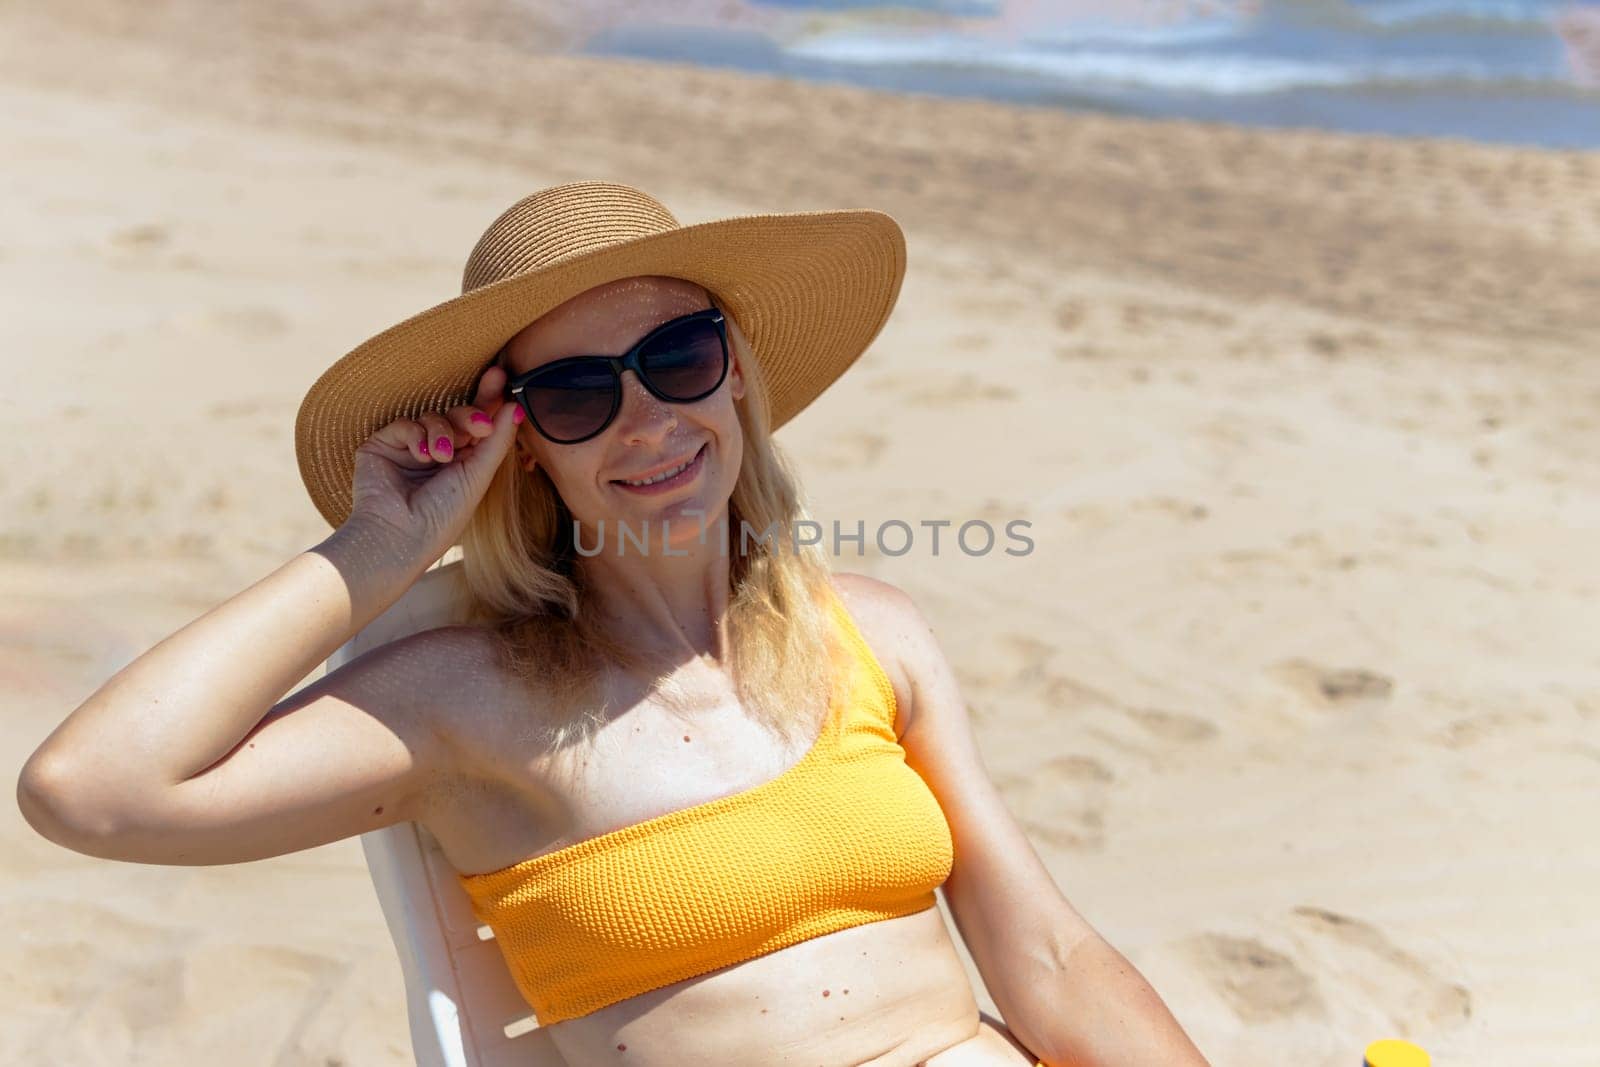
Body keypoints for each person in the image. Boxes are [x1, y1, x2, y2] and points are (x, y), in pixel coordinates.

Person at [17, 181, 1211, 1067]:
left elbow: (1047, 956)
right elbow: (93, 789)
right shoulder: (464, 699)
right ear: (521, 445)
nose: (645, 420)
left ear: (735, 372)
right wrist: (381, 548)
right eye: (579, 393)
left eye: (676, 357)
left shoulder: (871, 631)